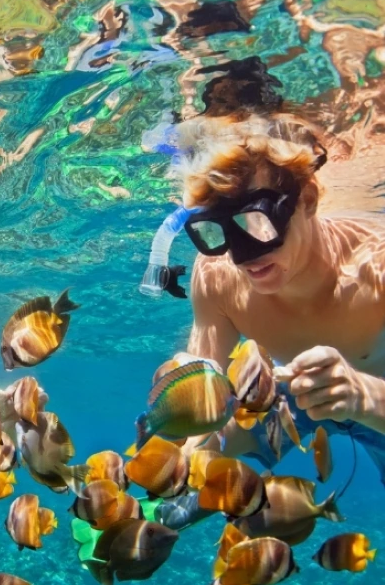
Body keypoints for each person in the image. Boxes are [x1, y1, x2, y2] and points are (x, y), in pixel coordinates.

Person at [141, 112, 385, 531]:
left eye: (259, 221)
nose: (242, 256)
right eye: (216, 231)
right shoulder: (216, 275)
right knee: (187, 477)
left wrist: (363, 398)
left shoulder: (375, 264)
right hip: (289, 398)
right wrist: (180, 465)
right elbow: (207, 411)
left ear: (308, 200)